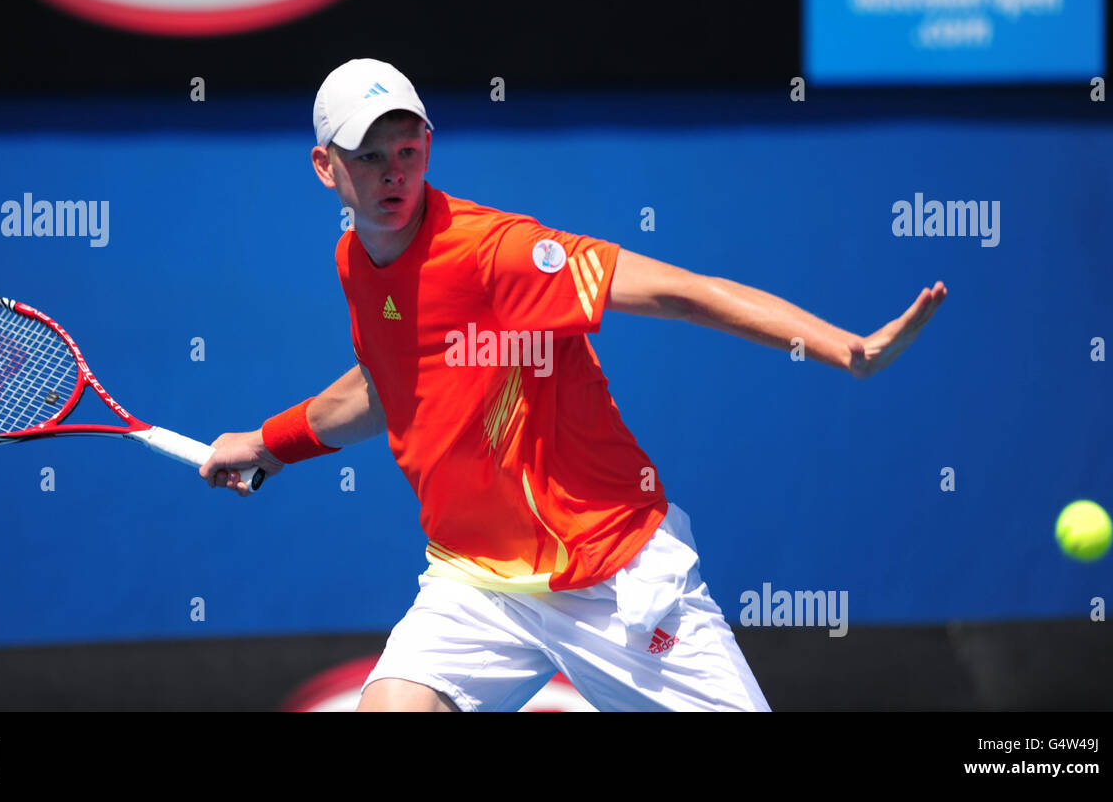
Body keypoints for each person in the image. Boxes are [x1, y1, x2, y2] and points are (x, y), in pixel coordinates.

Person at [200, 58, 948, 711]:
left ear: (428, 142)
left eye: (408, 147)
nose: (395, 171)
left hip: (611, 575)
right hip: (476, 581)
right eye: (369, 156)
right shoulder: (356, 261)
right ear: (326, 167)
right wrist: (271, 443)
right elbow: (391, 380)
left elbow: (679, 291)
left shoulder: (498, 254)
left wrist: (843, 349)